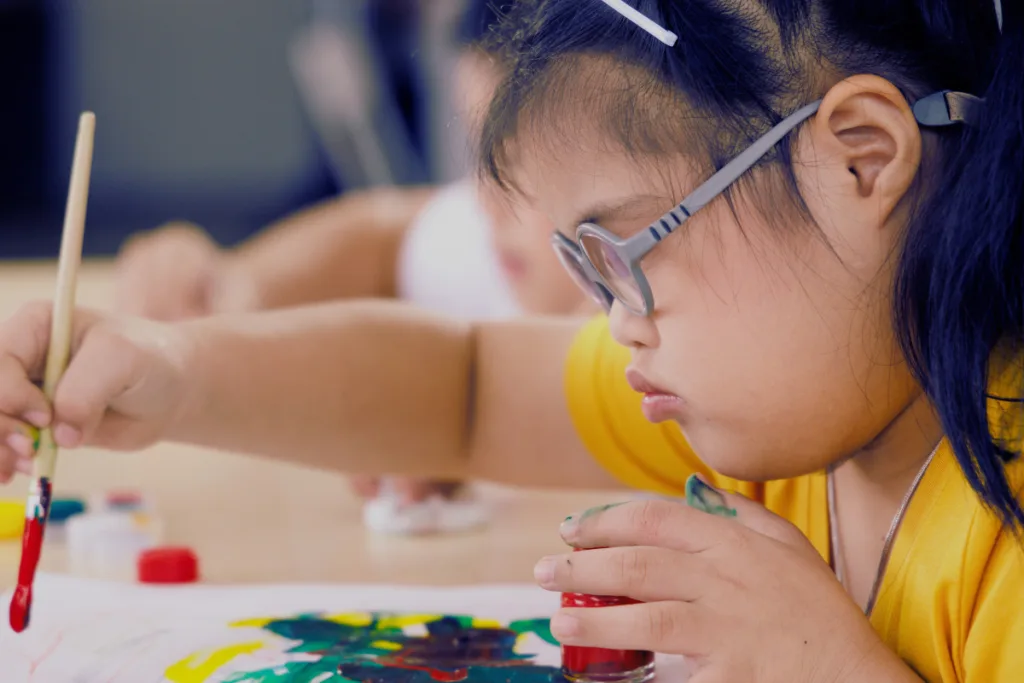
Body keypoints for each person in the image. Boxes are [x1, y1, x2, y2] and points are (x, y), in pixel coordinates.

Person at [0, 0, 1020, 680]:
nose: (617, 320)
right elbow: (467, 386)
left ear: (858, 162)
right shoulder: (793, 391)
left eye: (631, 251)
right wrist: (170, 370)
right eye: (588, 273)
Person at [111, 0, 585, 533]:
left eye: (517, 163)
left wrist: (469, 433)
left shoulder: (670, 349)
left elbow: (474, 402)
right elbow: (382, 236)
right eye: (479, 155)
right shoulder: (519, 237)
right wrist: (235, 291)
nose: (485, 202)